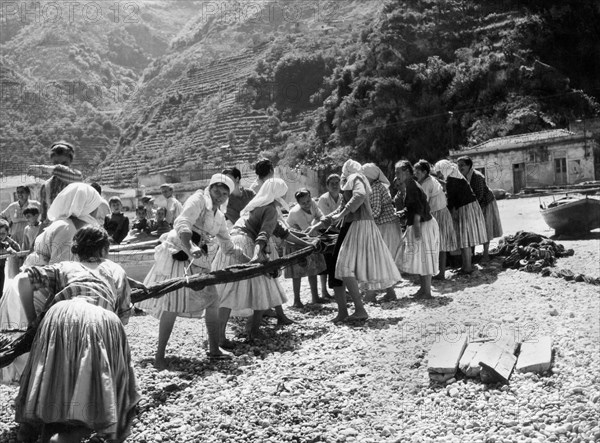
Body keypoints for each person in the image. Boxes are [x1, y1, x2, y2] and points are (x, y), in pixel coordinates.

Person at [13, 226, 141, 443]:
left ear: (76, 250)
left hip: (61, 313)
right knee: (102, 376)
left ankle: (30, 428)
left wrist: (33, 320)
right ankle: (74, 430)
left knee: (49, 368)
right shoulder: (115, 269)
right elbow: (124, 315)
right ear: (104, 250)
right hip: (100, 316)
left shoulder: (65, 266)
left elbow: (23, 280)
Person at [136, 174, 251, 369]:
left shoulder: (219, 216)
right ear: (210, 188)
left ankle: (214, 349)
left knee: (213, 300)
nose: (220, 196)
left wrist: (250, 262)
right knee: (173, 304)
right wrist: (190, 246)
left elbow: (228, 246)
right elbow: (183, 223)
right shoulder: (198, 199)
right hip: (179, 254)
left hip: (199, 260)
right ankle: (159, 356)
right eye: (217, 190)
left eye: (224, 193)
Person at [0, 183, 103, 385]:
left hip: (37, 286)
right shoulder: (67, 229)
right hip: (37, 291)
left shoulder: (71, 225)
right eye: (94, 204)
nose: (97, 210)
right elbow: (59, 271)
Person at [215, 178, 317, 343]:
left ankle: (220, 336)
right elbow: (263, 235)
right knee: (263, 287)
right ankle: (253, 330)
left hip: (232, 244)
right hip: (247, 244)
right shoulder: (269, 209)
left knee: (230, 290)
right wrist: (256, 256)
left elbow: (281, 231)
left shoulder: (255, 206)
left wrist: (307, 243)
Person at [308, 160, 401, 323]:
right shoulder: (353, 181)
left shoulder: (356, 178)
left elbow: (358, 196)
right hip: (356, 226)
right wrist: (317, 226)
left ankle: (359, 309)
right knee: (342, 268)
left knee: (343, 267)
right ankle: (349, 310)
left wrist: (342, 214)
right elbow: (341, 208)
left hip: (360, 225)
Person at [395, 161, 440, 298]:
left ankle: (427, 291)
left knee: (425, 257)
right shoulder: (410, 186)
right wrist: (403, 212)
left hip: (422, 224)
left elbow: (418, 210)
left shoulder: (412, 186)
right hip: (420, 223)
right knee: (420, 257)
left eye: (398, 173)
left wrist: (416, 230)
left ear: (407, 172)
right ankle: (423, 289)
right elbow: (412, 207)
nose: (396, 176)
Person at [433, 160, 487, 274]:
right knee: (465, 238)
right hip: (468, 207)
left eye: (439, 172)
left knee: (465, 238)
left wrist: (448, 212)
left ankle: (467, 267)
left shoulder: (452, 180)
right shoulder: (454, 175)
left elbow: (452, 199)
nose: (439, 175)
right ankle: (466, 266)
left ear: (444, 169)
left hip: (465, 209)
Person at [361, 163, 402, 302]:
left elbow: (376, 212)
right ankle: (388, 292)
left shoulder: (375, 189)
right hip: (385, 226)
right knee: (381, 260)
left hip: (385, 227)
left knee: (379, 259)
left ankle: (372, 293)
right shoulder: (375, 187)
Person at [414, 160, 458, 280]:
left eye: (418, 171)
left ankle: (437, 273)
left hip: (437, 215)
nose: (415, 173)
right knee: (441, 245)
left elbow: (424, 204)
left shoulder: (426, 184)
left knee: (437, 245)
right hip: (442, 212)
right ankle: (440, 272)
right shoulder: (431, 180)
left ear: (424, 172)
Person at [285, 188, 327, 307]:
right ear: (298, 203)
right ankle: (297, 300)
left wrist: (316, 225)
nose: (307, 204)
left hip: (309, 239)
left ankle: (315, 297)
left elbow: (322, 217)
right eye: (303, 203)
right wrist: (316, 226)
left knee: (312, 269)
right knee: (297, 273)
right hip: (294, 241)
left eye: (308, 201)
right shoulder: (296, 212)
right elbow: (306, 231)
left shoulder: (313, 204)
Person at [457, 156, 503, 262]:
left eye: (462, 165)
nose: (459, 167)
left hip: (485, 203)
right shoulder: (462, 176)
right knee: (474, 228)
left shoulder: (477, 176)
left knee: (485, 228)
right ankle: (472, 255)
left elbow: (479, 195)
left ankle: (486, 255)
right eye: (458, 165)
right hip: (474, 204)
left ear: (469, 165)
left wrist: (472, 210)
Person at [29, 141, 83, 225]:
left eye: (64, 163)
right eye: (55, 164)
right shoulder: (46, 186)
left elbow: (63, 172)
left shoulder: (76, 178)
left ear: (71, 161)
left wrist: (42, 168)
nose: (60, 167)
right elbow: (44, 217)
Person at [316, 174, 342, 300]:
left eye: (337, 182)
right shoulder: (323, 199)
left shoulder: (343, 197)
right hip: (326, 233)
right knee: (325, 263)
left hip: (339, 232)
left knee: (339, 261)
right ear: (327, 185)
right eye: (332, 183)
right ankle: (324, 290)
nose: (335, 185)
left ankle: (340, 288)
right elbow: (327, 219)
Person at [0, 219, 20, 297]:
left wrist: (9, 240)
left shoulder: (5, 244)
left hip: (1, 271)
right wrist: (7, 251)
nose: (0, 236)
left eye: (3, 234)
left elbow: (18, 249)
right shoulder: (5, 248)